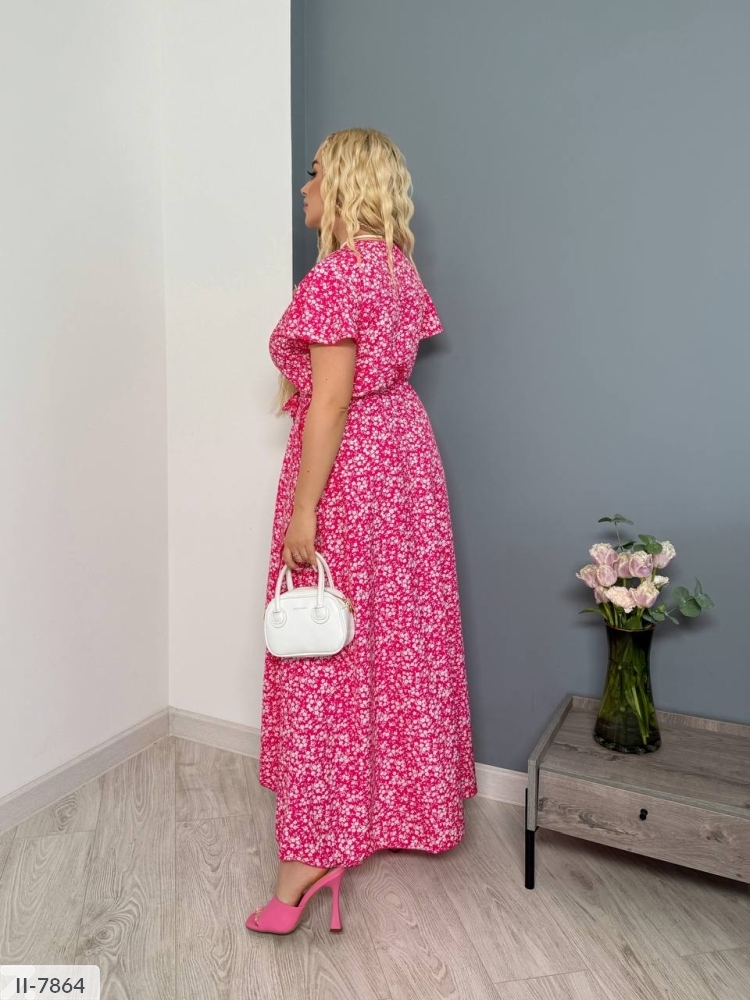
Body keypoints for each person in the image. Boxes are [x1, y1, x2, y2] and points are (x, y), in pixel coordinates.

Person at [246, 128, 477, 935]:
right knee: (394, 643)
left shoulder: (340, 273)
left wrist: (305, 508)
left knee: (322, 651)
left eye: (314, 173)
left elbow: (336, 399)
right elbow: (362, 378)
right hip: (403, 465)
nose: (303, 187)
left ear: (342, 183)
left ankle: (308, 858)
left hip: (350, 474)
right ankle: (390, 813)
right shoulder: (395, 270)